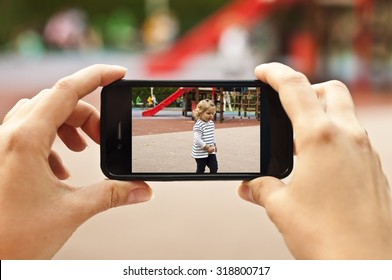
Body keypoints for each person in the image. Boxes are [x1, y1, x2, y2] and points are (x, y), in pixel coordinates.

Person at [0, 63, 391, 260]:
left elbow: (206, 137)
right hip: (205, 156)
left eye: (206, 114)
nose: (206, 117)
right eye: (204, 114)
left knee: (211, 166)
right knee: (210, 166)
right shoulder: (200, 129)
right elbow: (204, 140)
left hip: (206, 155)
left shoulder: (202, 127)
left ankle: (212, 165)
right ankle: (212, 165)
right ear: (202, 115)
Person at [191, 99, 219, 174]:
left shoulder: (211, 123)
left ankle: (211, 181)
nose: (211, 115)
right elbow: (197, 140)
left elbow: (211, 136)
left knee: (214, 167)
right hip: (200, 152)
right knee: (201, 169)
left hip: (211, 151)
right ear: (200, 113)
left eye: (212, 113)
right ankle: (198, 182)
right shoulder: (198, 125)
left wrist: (214, 144)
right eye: (208, 113)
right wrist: (207, 147)